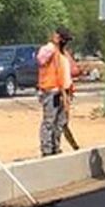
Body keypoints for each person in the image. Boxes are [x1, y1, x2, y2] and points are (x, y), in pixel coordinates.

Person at [36, 27, 73, 156]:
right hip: (51, 90)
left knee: (60, 122)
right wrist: (53, 44)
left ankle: (56, 147)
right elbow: (41, 59)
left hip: (63, 91)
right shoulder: (49, 49)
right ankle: (47, 149)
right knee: (49, 121)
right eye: (63, 38)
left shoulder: (63, 53)